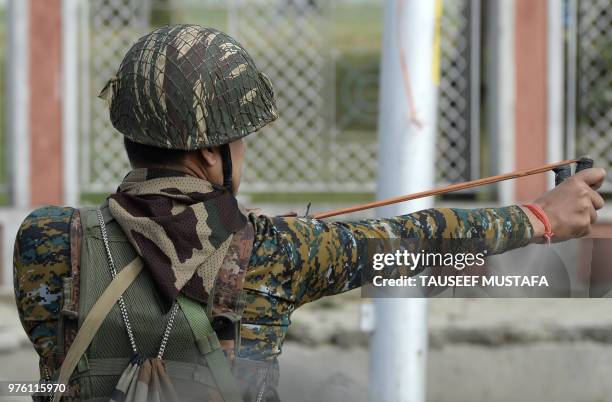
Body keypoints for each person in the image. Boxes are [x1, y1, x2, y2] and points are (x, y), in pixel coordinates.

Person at [13, 24, 606, 402]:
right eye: (238, 139)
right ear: (206, 152)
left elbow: (151, 246)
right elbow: (415, 237)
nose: (242, 151)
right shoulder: (274, 253)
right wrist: (540, 218)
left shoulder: (43, 238)